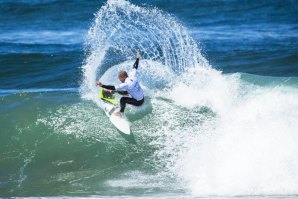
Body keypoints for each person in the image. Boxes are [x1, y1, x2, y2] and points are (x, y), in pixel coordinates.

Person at [96, 52, 144, 117]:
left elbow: (113, 87)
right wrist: (137, 59)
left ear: (123, 77)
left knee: (123, 99)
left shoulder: (126, 84)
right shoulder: (132, 75)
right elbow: (135, 67)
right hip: (142, 98)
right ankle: (111, 92)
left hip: (138, 102)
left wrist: (102, 85)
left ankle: (121, 113)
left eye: (120, 78)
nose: (120, 80)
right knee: (123, 91)